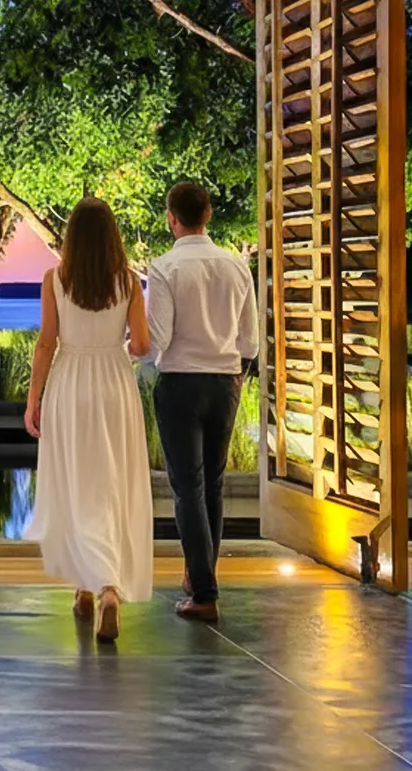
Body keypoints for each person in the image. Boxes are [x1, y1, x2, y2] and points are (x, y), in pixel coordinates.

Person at [23, 196, 152, 643]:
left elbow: (46, 344)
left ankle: (93, 585)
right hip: (114, 385)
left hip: (70, 384)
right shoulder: (130, 282)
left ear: (72, 238)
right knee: (110, 483)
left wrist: (32, 398)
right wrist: (119, 346)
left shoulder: (55, 279)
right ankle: (101, 586)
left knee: (76, 483)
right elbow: (141, 344)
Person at [145, 182, 259, 624]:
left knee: (187, 488)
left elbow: (159, 339)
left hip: (180, 384)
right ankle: (201, 577)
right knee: (213, 483)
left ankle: (204, 592)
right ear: (208, 214)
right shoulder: (236, 265)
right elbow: (249, 339)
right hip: (226, 381)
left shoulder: (165, 267)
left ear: (171, 218)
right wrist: (237, 374)